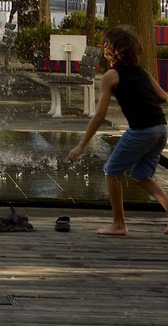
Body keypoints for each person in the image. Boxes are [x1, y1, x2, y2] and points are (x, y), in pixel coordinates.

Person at [68, 24, 168, 236]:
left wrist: (81, 145)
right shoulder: (141, 72)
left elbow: (99, 116)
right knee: (141, 175)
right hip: (161, 128)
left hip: (142, 130)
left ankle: (119, 224)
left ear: (113, 51)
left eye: (107, 45)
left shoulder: (111, 76)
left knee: (111, 170)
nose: (104, 48)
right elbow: (163, 97)